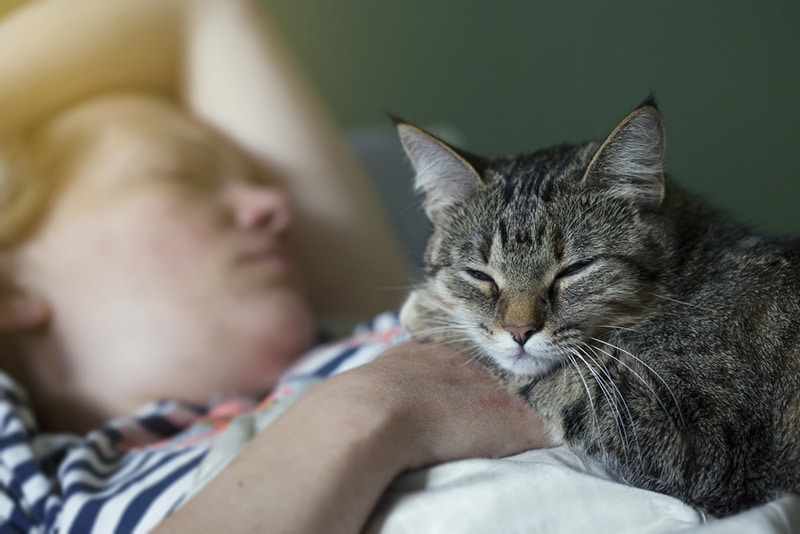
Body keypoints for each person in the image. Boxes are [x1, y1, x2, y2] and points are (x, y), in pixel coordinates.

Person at [0, 0, 548, 532]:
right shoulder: (34, 490)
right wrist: (373, 406)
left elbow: (202, 13)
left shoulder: (384, 329)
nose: (276, 206)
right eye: (182, 177)